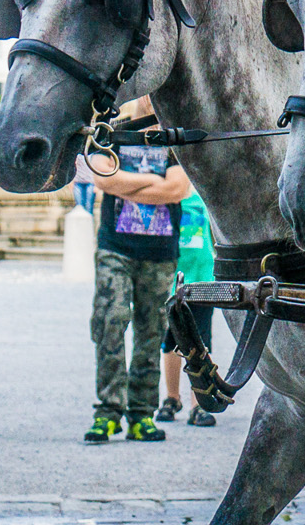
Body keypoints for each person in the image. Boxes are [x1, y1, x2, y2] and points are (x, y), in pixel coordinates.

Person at [85, 97, 192, 444]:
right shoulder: (112, 132)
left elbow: (178, 188)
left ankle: (141, 415)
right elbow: (103, 179)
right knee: (110, 322)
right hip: (115, 248)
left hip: (160, 253)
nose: (149, 96)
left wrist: (125, 182)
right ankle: (108, 412)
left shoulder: (173, 138)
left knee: (151, 332)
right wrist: (153, 185)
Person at [157, 181, 218, 427]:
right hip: (173, 280)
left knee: (201, 342)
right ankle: (172, 398)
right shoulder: (166, 194)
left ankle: (199, 403)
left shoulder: (205, 196)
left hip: (202, 279)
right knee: (170, 341)